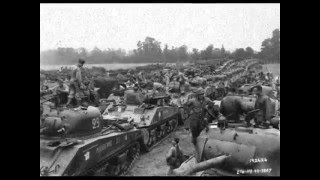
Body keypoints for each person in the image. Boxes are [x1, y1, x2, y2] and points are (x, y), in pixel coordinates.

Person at [184, 88, 214, 162]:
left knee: (202, 131)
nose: (202, 95)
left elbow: (212, 104)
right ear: (197, 95)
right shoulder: (192, 101)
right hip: (194, 118)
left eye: (202, 94)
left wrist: (208, 108)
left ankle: (201, 147)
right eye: (200, 94)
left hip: (202, 118)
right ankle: (195, 146)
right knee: (194, 132)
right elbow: (185, 105)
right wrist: (189, 111)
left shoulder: (206, 100)